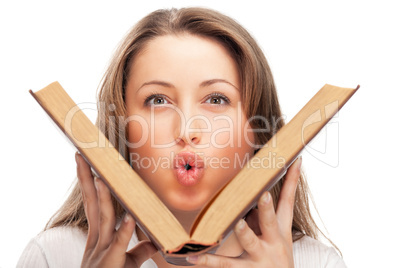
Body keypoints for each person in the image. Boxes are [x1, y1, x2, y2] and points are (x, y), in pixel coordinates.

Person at [17, 7, 346, 268]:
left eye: (216, 99)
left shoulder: (317, 263)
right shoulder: (53, 257)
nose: (187, 130)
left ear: (258, 135)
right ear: (121, 130)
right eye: (157, 100)